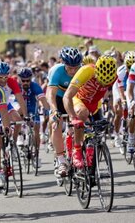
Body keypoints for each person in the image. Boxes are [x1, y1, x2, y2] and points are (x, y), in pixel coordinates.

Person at [63, 56, 117, 168]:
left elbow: (108, 94)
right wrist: (73, 118)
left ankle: (91, 162)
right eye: (99, 81)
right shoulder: (86, 71)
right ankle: (77, 149)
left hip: (94, 104)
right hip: (79, 99)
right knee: (82, 114)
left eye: (104, 84)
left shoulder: (114, 77)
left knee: (98, 130)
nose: (102, 85)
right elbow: (67, 96)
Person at [46, 47, 82, 176]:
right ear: (63, 63)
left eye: (75, 67)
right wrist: (54, 110)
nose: (73, 71)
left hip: (75, 99)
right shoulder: (57, 70)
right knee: (55, 123)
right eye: (69, 68)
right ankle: (61, 160)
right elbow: (50, 93)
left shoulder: (82, 70)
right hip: (59, 98)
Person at [17, 67, 50, 168]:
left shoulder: (35, 86)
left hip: (32, 108)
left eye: (28, 80)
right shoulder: (16, 86)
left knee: (36, 128)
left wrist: (48, 111)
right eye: (23, 81)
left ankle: (36, 155)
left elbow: (43, 100)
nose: (26, 82)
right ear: (19, 79)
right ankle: (20, 135)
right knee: (17, 117)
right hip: (19, 108)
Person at [112, 51, 135, 149]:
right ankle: (117, 135)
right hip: (119, 87)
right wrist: (123, 100)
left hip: (131, 86)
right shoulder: (121, 71)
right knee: (118, 110)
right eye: (129, 66)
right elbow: (120, 87)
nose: (131, 69)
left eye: (133, 66)